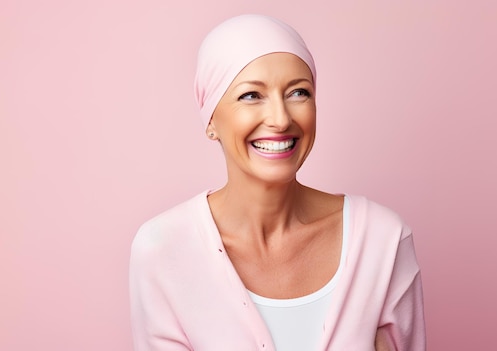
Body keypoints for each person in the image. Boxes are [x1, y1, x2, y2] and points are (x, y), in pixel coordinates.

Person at [129, 14, 425, 351]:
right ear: (210, 119)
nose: (281, 119)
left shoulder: (383, 241)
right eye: (251, 96)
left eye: (298, 92)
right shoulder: (163, 250)